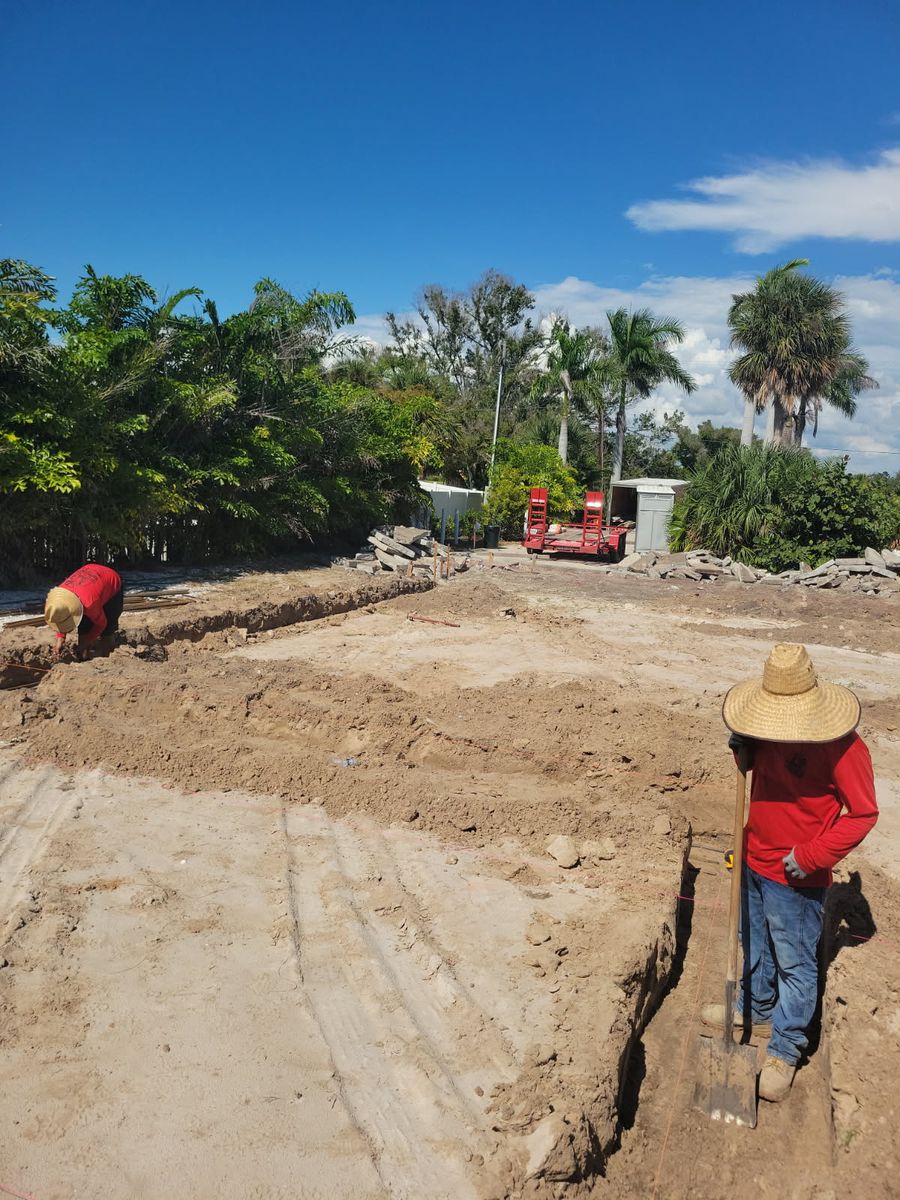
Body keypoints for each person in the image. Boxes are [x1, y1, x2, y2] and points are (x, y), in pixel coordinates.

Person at [701, 642, 878, 1103]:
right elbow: (756, 773)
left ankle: (785, 1047)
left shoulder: (844, 749)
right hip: (754, 857)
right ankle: (755, 1008)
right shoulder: (763, 728)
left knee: (796, 963)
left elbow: (862, 814)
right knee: (753, 942)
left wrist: (814, 855)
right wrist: (744, 753)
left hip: (796, 877)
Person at [44, 564, 124, 660]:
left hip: (111, 583)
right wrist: (60, 639)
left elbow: (102, 624)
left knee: (107, 631)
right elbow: (61, 617)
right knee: (84, 627)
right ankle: (83, 657)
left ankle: (109, 656)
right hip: (90, 581)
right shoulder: (56, 601)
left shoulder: (89, 604)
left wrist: (87, 641)